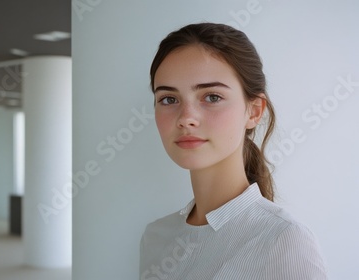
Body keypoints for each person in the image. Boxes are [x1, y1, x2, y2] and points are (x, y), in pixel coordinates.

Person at [139, 23, 328, 279]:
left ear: (254, 111)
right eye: (169, 99)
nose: (186, 118)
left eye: (212, 97)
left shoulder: (282, 241)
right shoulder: (155, 237)